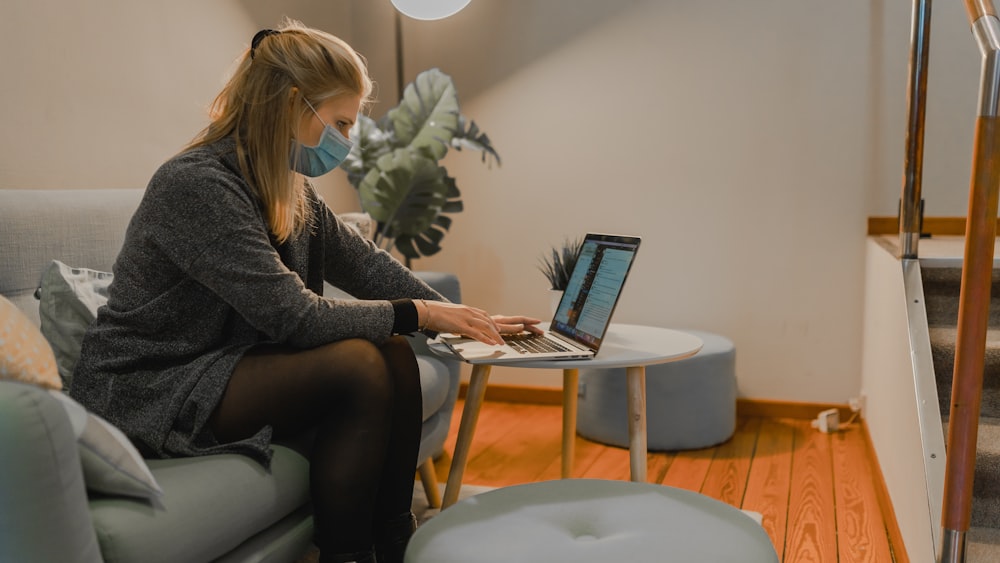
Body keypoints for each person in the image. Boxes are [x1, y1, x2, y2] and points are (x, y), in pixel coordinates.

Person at [70, 19, 540, 563]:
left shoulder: (288, 186)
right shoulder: (197, 185)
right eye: (340, 121)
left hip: (218, 363)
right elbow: (296, 317)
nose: (346, 138)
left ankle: (393, 539)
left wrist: (457, 313)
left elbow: (365, 266)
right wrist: (423, 314)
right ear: (293, 105)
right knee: (358, 367)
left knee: (389, 352)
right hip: (149, 382)